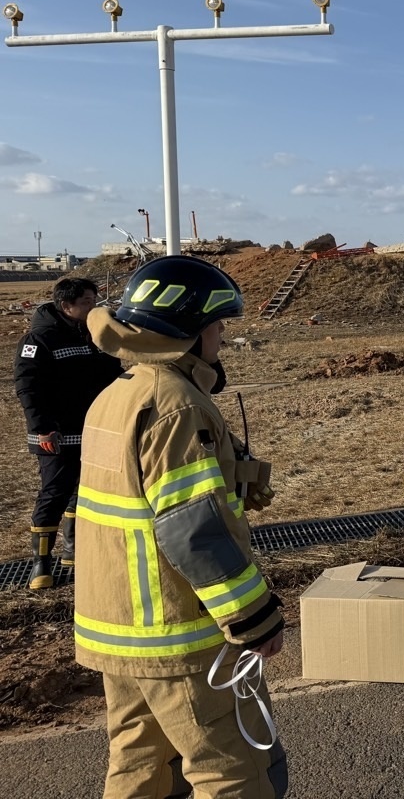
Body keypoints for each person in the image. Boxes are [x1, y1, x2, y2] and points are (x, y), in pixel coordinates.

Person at [77, 255, 287, 797]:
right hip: (175, 635)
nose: (220, 339)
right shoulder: (176, 406)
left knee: (140, 767)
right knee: (232, 769)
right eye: (216, 327)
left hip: (119, 628)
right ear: (187, 332)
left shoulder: (117, 395)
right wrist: (255, 618)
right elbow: (192, 530)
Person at [14, 276, 122, 589]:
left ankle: (74, 552)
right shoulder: (39, 339)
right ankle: (41, 563)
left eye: (95, 301)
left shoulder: (96, 335)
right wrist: (43, 428)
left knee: (86, 491)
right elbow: (28, 387)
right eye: (87, 302)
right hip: (55, 437)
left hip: (95, 432)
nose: (94, 307)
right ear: (67, 306)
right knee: (55, 493)